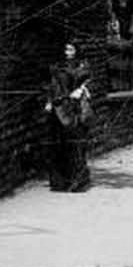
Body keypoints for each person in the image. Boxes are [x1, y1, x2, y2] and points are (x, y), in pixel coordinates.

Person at [43, 41, 94, 193]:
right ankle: (60, 183)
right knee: (59, 145)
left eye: (71, 49)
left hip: (76, 109)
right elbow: (52, 86)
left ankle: (77, 182)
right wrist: (49, 101)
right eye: (65, 49)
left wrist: (83, 90)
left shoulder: (84, 66)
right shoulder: (57, 67)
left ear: (77, 50)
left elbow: (89, 84)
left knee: (76, 145)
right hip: (60, 109)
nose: (68, 52)